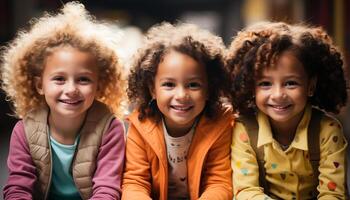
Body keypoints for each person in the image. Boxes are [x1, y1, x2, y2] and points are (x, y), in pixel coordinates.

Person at [2, 2, 126, 199]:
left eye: (83, 79)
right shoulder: (24, 130)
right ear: (39, 85)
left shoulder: (110, 129)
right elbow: (18, 188)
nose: (71, 90)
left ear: (99, 85)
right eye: (59, 79)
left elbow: (107, 188)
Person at [227, 21, 348, 199]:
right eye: (265, 84)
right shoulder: (244, 131)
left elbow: (333, 195)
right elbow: (246, 192)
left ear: (311, 86)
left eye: (291, 83)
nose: (278, 95)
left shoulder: (328, 131)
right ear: (252, 87)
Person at [122, 22, 233, 200]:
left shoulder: (221, 124)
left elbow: (219, 182)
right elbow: (135, 182)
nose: (181, 95)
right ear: (152, 89)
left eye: (193, 85)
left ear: (209, 88)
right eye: (169, 85)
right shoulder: (140, 126)